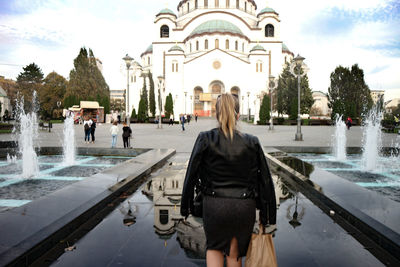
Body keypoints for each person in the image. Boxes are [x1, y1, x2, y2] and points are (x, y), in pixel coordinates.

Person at [181, 93, 276, 267]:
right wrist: (267, 213)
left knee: (214, 249)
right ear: (238, 115)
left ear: (217, 115)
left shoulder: (205, 138)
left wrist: (185, 207)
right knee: (235, 254)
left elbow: (191, 174)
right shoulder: (252, 142)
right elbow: (265, 180)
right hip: (243, 206)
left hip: (214, 205)